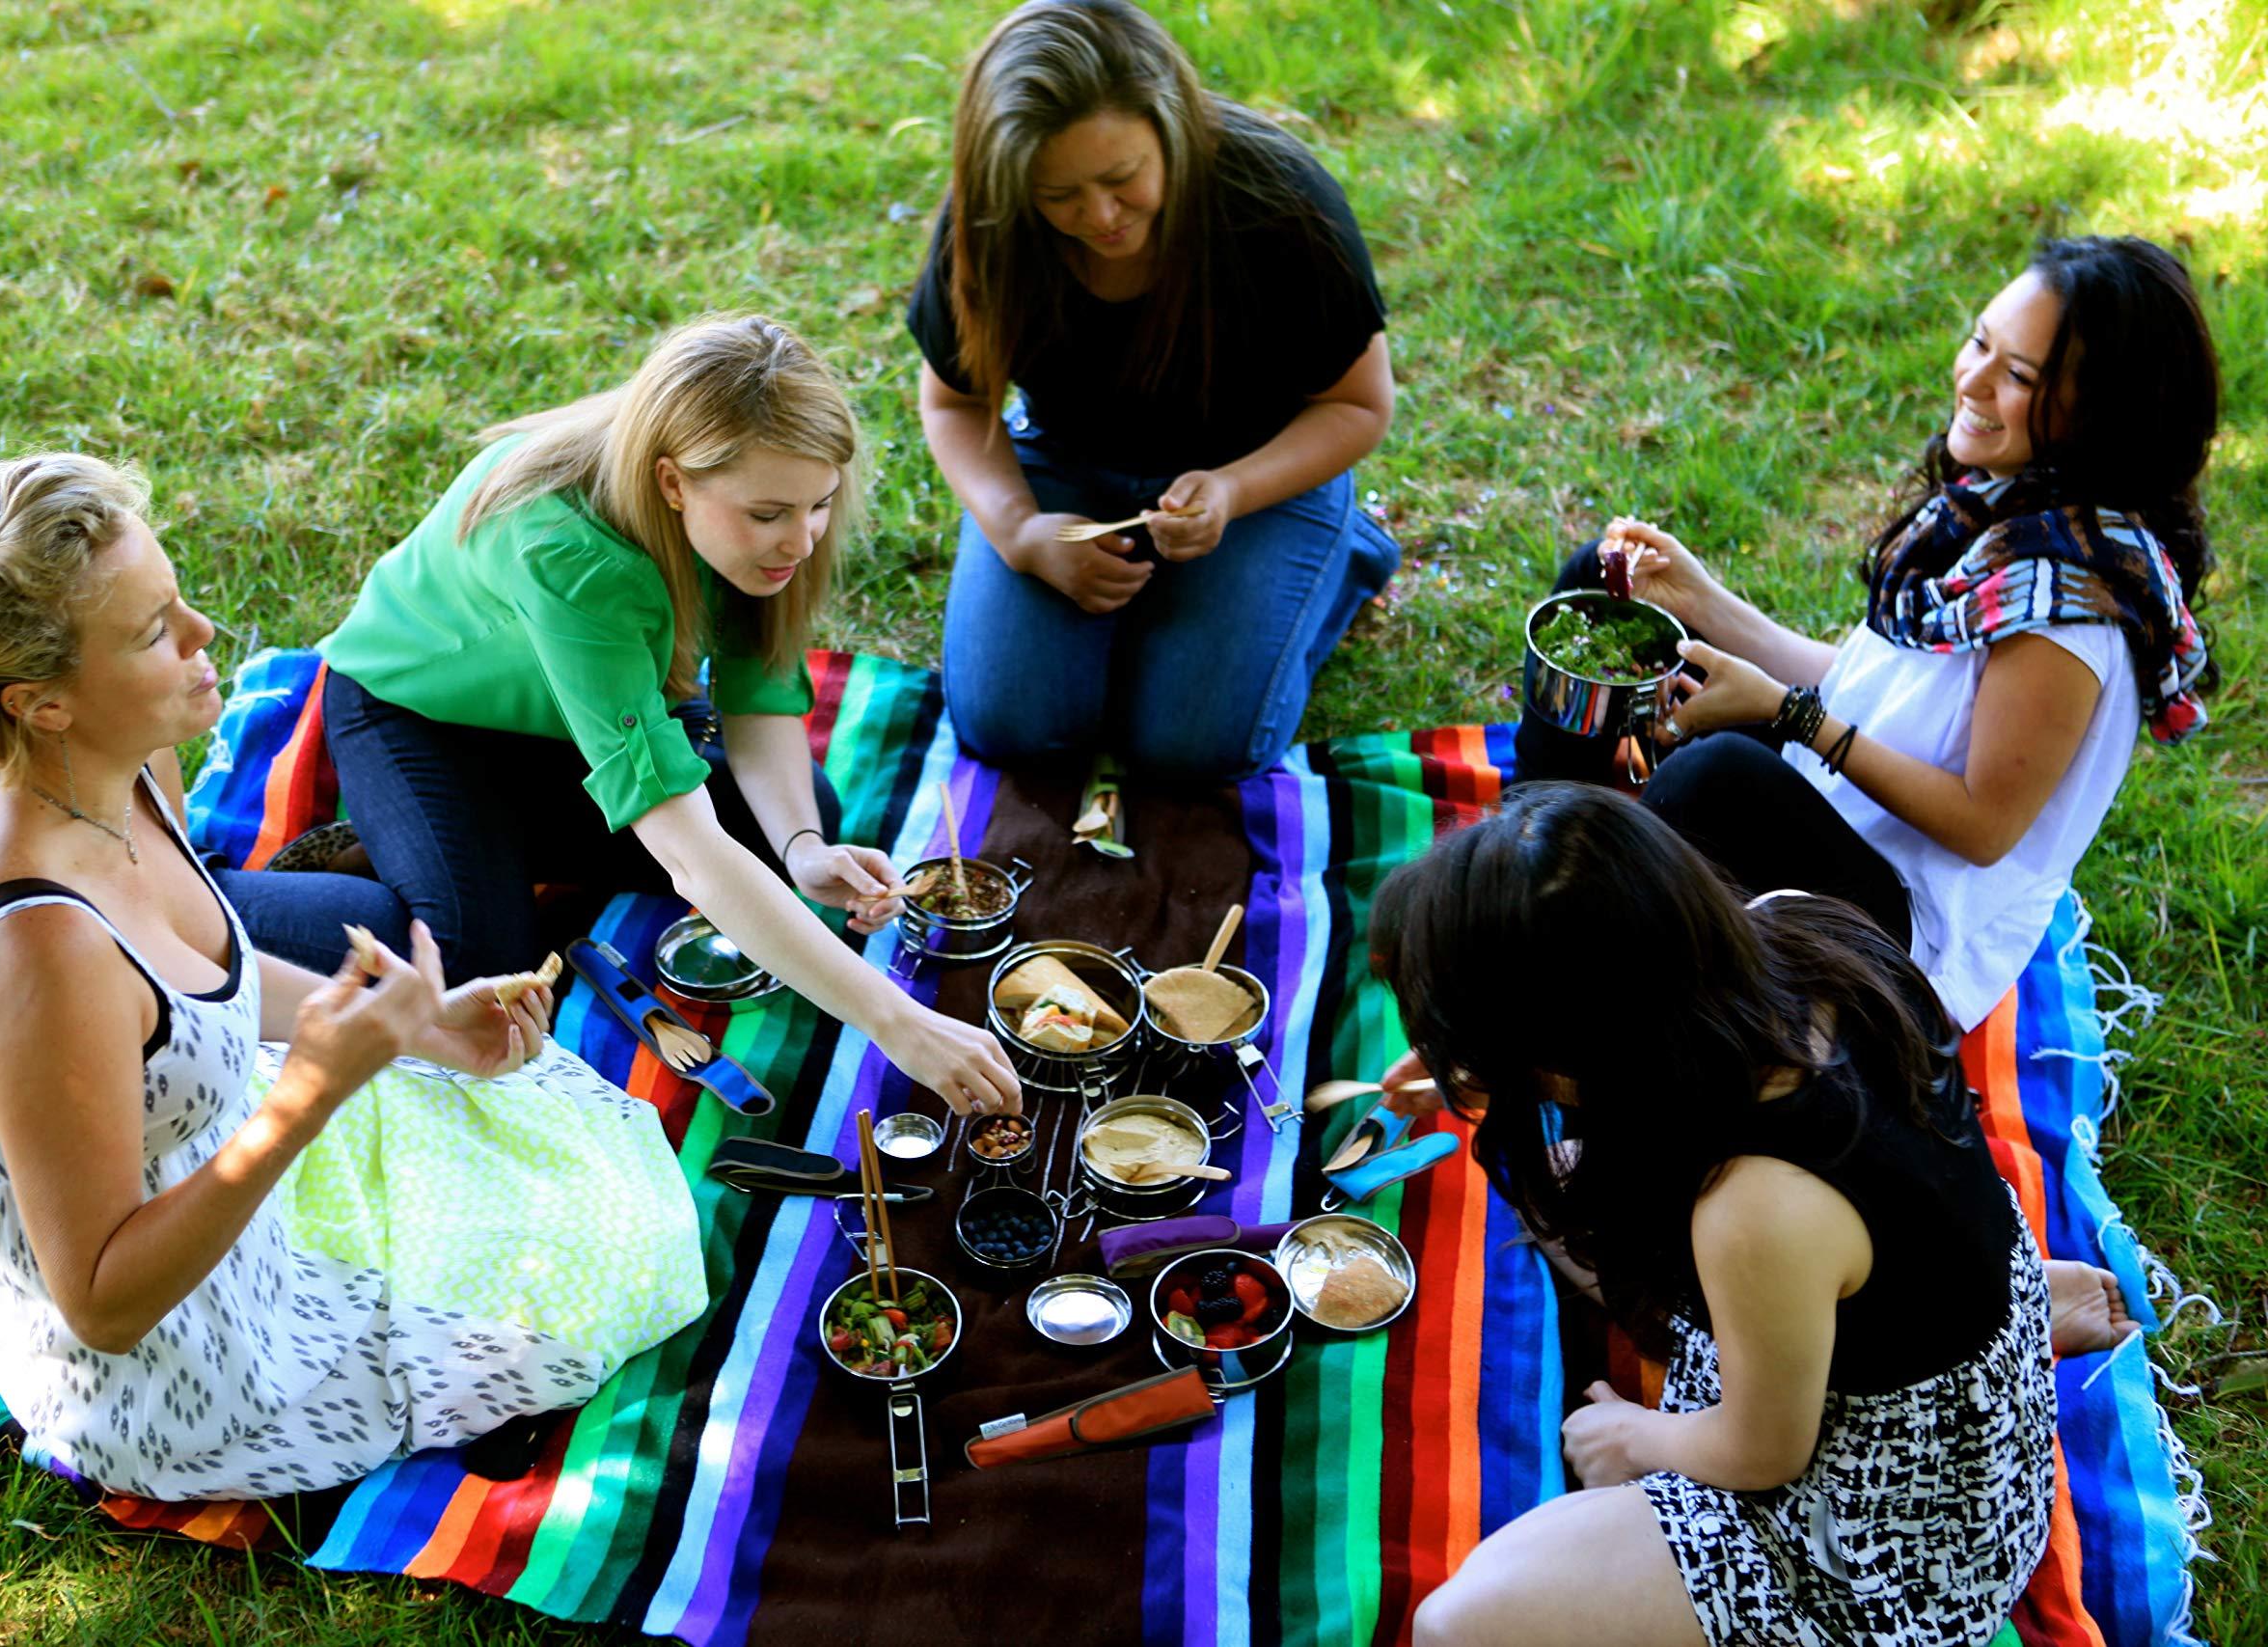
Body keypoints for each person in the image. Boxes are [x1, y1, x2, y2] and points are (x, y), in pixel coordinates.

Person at [0, 453, 711, 1498]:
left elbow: (197, 986)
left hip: (214, 1161)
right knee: (606, 1272)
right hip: (176, 1373)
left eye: (174, 599)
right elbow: (100, 1301)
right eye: (152, 632)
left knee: (579, 1156)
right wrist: (306, 1100)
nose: (203, 635)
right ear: (41, 702)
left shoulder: (117, 756)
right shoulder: (39, 956)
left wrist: (413, 1029)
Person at [264, 315, 1020, 1117]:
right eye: (769, 515)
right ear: (672, 483)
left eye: (820, 505)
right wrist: (896, 1021)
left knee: (795, 824)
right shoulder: (573, 552)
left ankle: (465, 841)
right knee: (479, 966)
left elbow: (757, 693)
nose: (801, 541)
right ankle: (219, 908)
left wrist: (802, 848)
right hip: (413, 717)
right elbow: (692, 858)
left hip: (557, 721)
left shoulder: (752, 498)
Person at [1376, 786, 2056, 1647]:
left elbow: (1766, 1451)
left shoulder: (1756, 1205)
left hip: (1894, 1534)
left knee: (1454, 1624)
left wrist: (1637, 1435)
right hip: (1924, 1319)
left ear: (1571, 1045)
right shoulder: (1795, 923)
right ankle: (1942, 1306)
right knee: (1563, 1186)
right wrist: (1498, 1067)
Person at [1517, 235, 2219, 1039]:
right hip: (1837, 804)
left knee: (1712, 781)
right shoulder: (2006, 509)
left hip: (1907, 940)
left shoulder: (2067, 611)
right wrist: (1701, 600)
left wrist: (1791, 716)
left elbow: (1981, 826)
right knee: (1601, 587)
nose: (1973, 380)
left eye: (2019, 376)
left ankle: (1561, 965)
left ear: (2103, 415)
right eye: (1980, 341)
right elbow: (1866, 681)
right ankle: (1525, 854)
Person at [909, 0, 1401, 781]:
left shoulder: (1278, 202)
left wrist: (1234, 491)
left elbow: (1360, 404)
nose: (1098, 216)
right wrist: (1023, 535)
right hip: (1065, 462)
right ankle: (1181, 607)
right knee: (1010, 727)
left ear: (1170, 127)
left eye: (1121, 177)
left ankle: (1341, 551)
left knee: (1193, 746)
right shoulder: (993, 215)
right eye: (1059, 194)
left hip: (1257, 472)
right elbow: (954, 403)